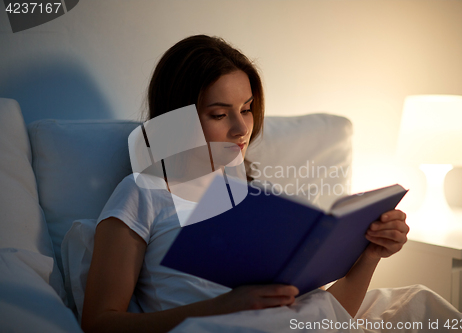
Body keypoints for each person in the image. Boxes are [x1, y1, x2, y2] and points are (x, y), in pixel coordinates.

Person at [81, 35, 409, 333]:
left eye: (247, 109)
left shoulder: (261, 202)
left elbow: (325, 315)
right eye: (220, 114)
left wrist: (370, 254)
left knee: (418, 301)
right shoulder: (144, 192)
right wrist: (220, 308)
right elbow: (100, 322)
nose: (241, 129)